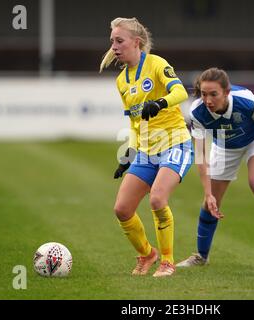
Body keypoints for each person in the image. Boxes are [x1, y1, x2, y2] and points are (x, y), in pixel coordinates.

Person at [176, 68, 254, 269]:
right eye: (204, 94)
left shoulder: (245, 100)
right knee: (210, 204)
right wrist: (208, 194)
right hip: (224, 146)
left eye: (213, 94)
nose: (208, 100)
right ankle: (201, 256)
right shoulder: (197, 112)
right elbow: (201, 155)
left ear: (226, 92)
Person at [99, 17, 193, 277]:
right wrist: (129, 153)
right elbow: (134, 122)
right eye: (112, 42)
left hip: (175, 143)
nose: (114, 46)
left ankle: (167, 262)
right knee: (122, 209)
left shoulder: (156, 64)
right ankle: (147, 254)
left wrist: (160, 103)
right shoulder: (121, 80)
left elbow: (181, 92)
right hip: (146, 151)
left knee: (157, 199)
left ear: (136, 42)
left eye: (119, 41)